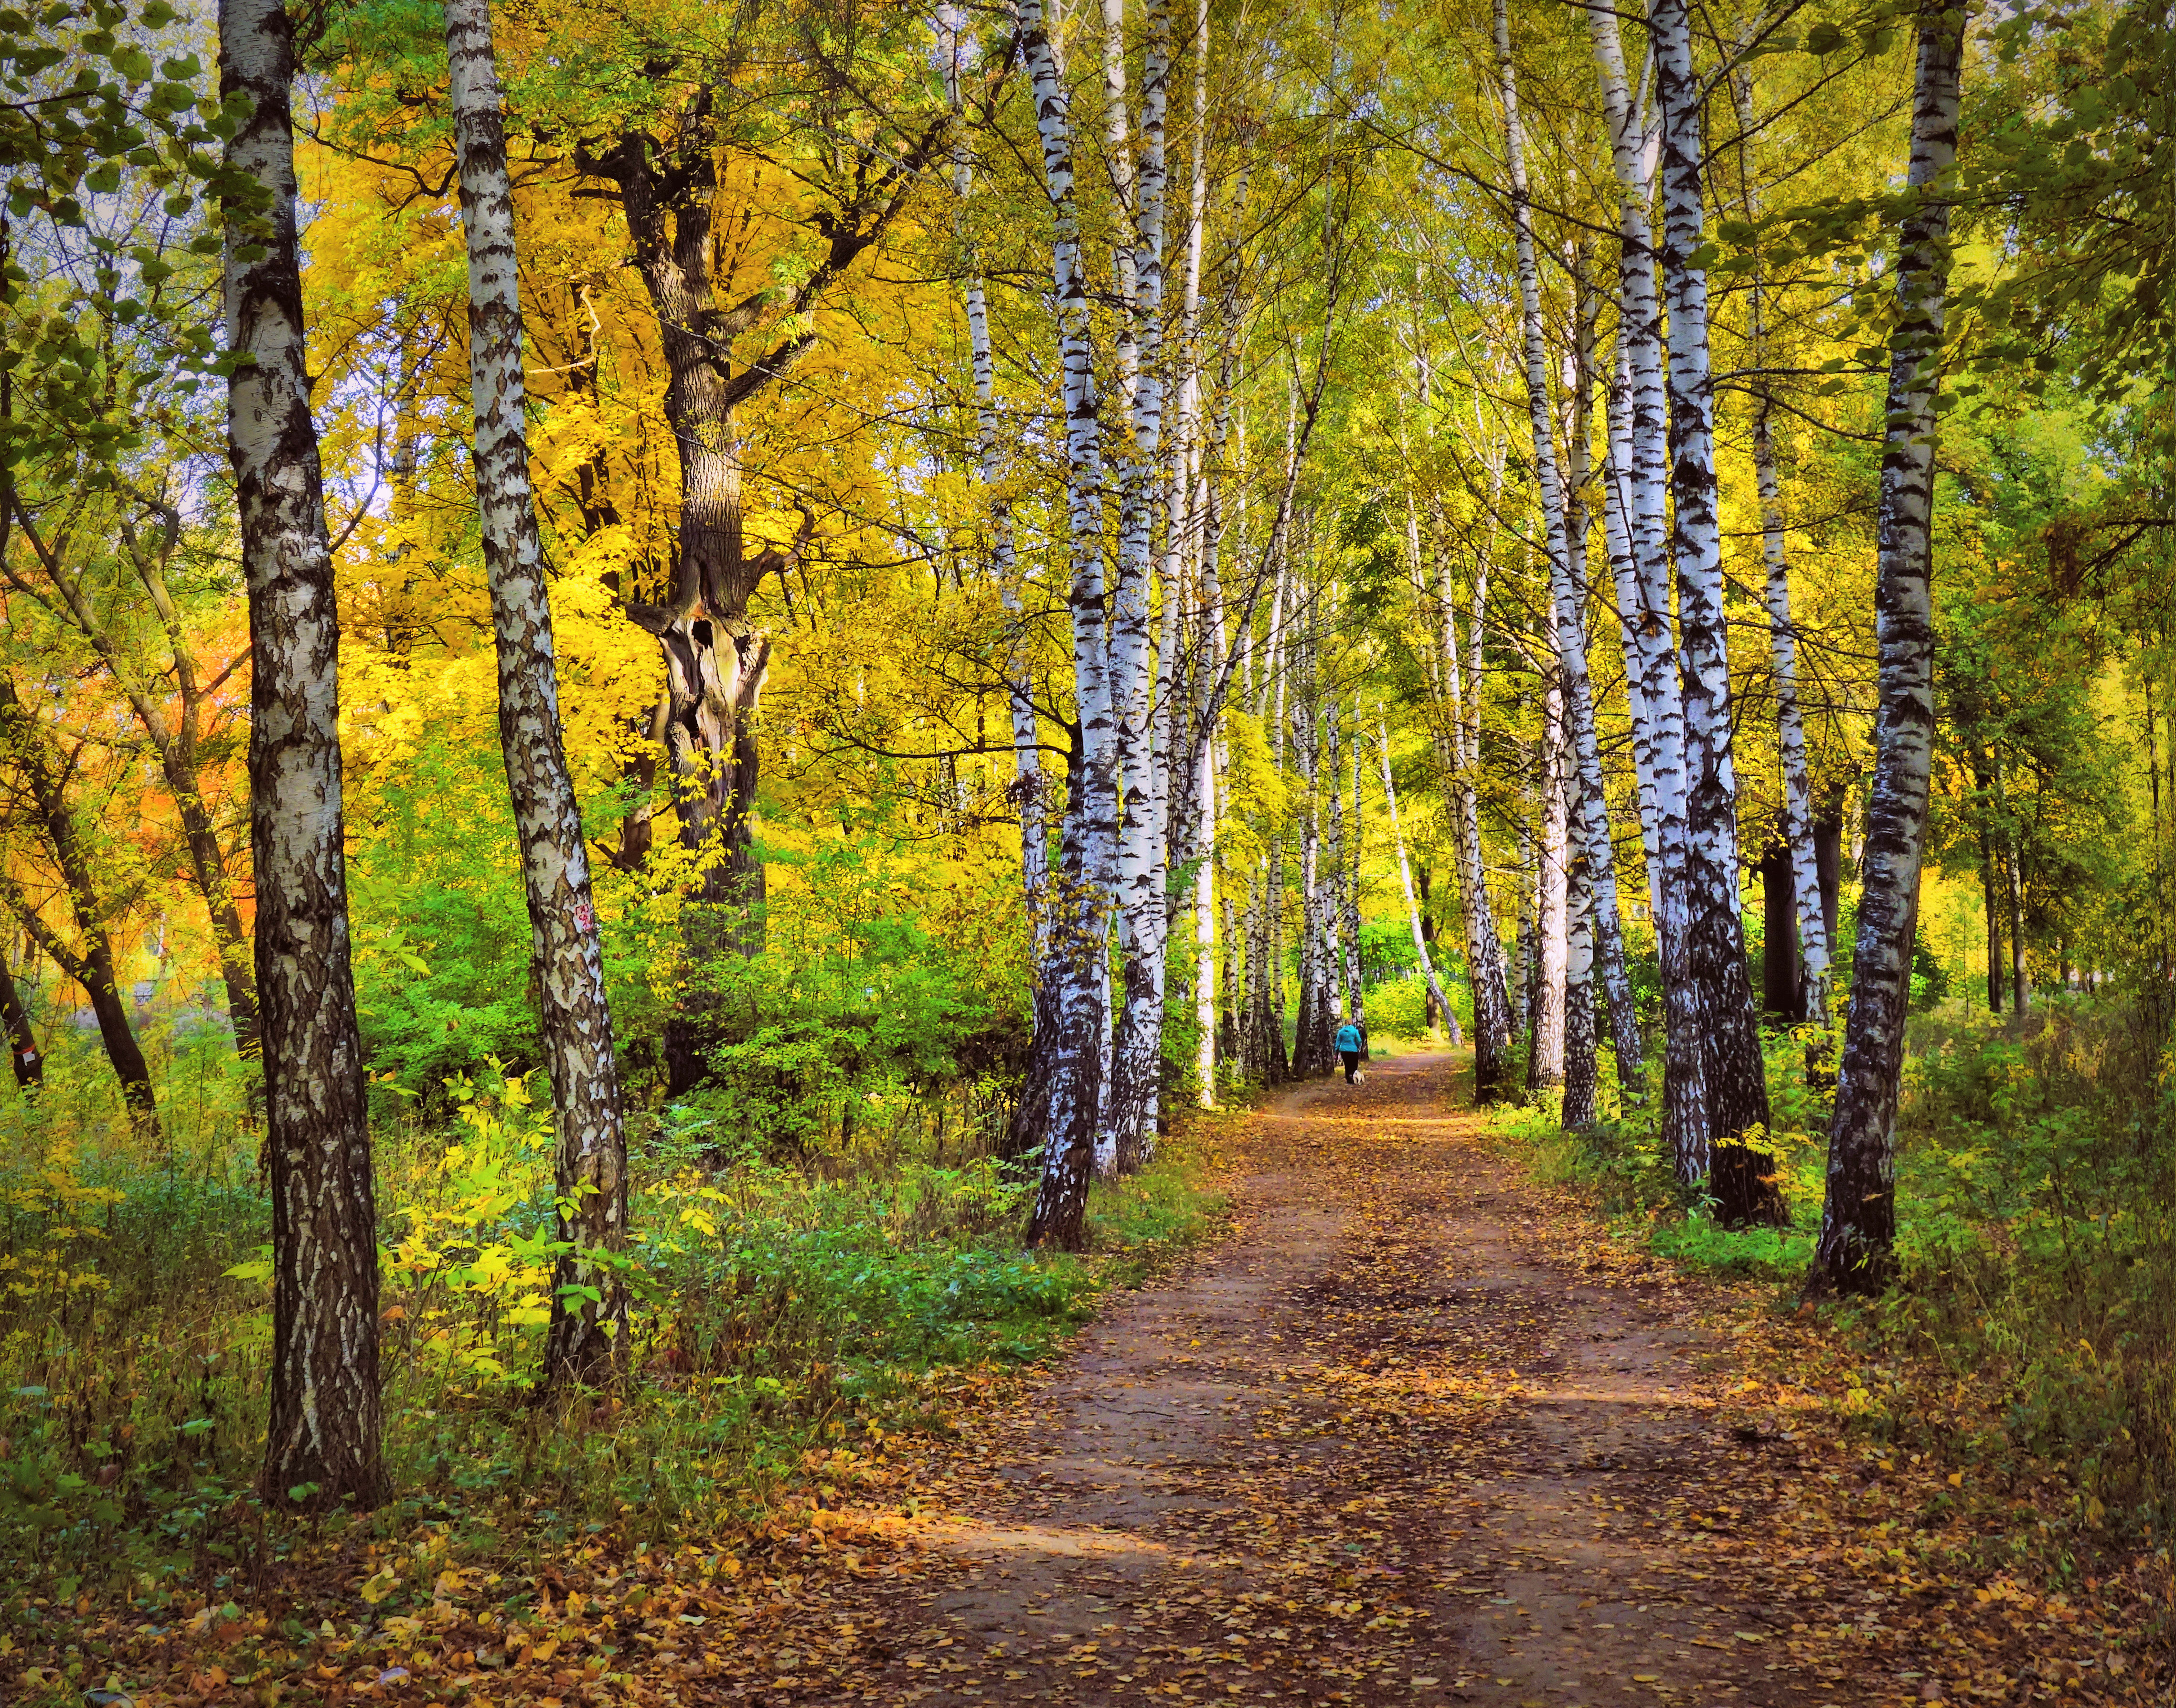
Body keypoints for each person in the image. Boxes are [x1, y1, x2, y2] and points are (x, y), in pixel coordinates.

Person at [1334, 1018, 1363, 1084]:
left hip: (1344, 1050)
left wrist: (1337, 1050)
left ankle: (1348, 1079)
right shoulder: (1355, 1031)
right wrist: (1358, 1047)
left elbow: (1338, 1042)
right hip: (1353, 1050)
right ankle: (1354, 1078)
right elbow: (1359, 1040)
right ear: (1352, 1023)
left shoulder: (1341, 1031)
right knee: (1354, 1065)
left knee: (1347, 1065)